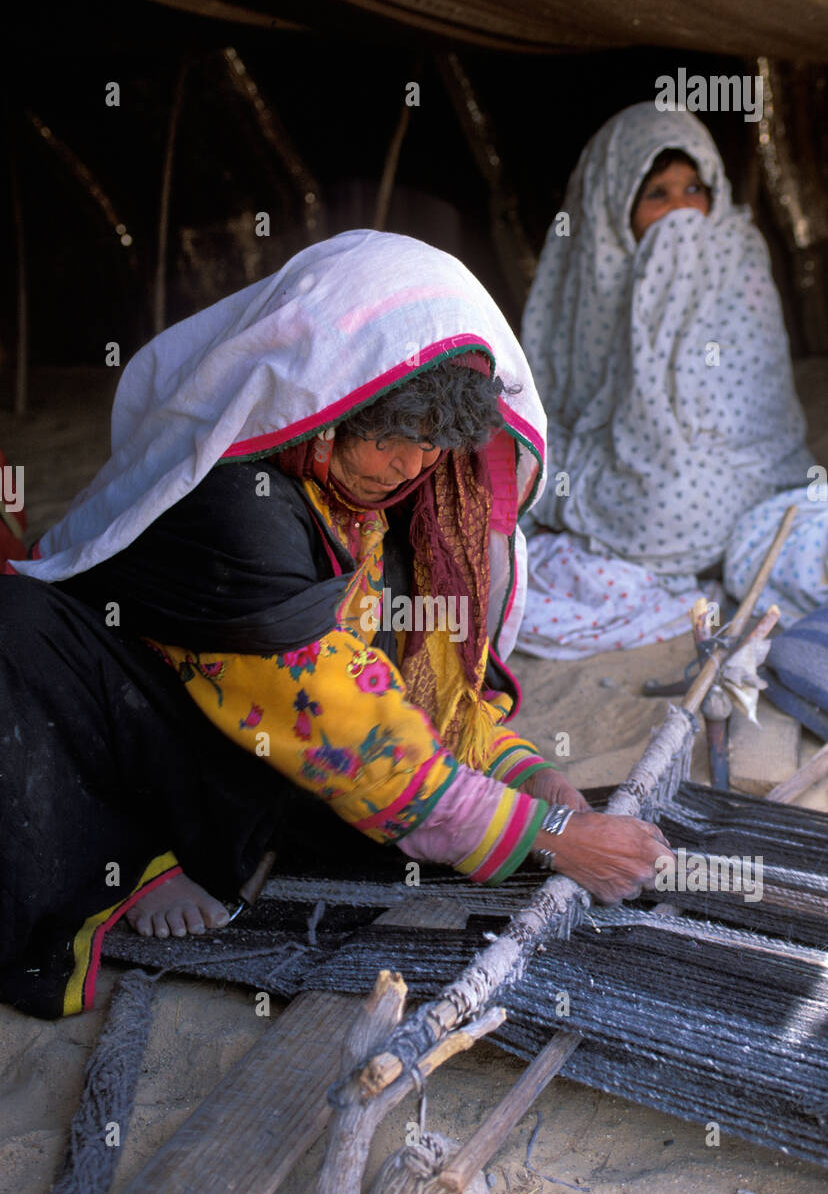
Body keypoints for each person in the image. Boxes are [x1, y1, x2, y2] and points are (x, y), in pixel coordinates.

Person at [1, 230, 670, 1018]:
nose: (413, 466)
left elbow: (404, 685)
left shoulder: (394, 505)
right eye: (392, 432)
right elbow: (342, 723)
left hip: (240, 726)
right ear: (327, 402)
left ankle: (228, 840)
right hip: (124, 715)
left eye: (434, 441)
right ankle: (139, 855)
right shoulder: (233, 509)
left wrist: (527, 774)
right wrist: (553, 836)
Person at [518, 102, 811, 659]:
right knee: (564, 483)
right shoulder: (591, 276)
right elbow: (564, 408)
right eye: (658, 195)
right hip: (628, 468)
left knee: (675, 505)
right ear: (612, 208)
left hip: (739, 472)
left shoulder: (736, 254)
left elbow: (748, 408)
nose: (681, 210)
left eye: (694, 188)